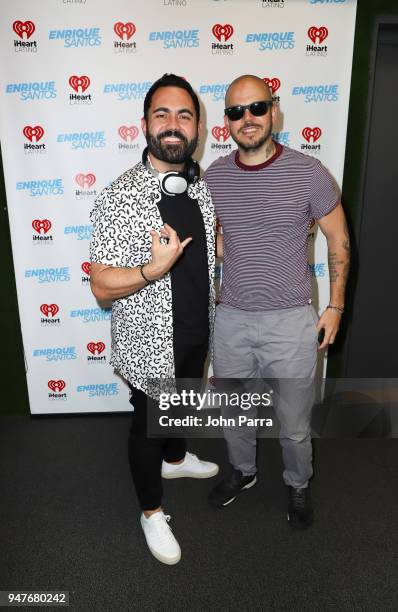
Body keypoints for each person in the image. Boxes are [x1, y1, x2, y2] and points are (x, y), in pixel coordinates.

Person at [204, 74, 350, 528]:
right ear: (226, 121)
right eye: (235, 111)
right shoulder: (213, 178)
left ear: (274, 110)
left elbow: (339, 240)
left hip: (290, 321)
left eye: (256, 108)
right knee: (233, 412)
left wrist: (336, 305)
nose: (247, 119)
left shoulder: (309, 173)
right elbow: (219, 243)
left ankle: (298, 483)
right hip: (232, 318)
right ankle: (243, 473)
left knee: (293, 422)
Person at [89, 74, 218, 565]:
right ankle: (150, 512)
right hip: (149, 338)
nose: (173, 124)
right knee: (148, 421)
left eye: (184, 115)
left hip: (195, 327)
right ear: (144, 124)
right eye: (162, 114)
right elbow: (101, 286)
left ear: (197, 127)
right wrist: (151, 270)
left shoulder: (199, 186)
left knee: (183, 397)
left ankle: (177, 458)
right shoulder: (121, 197)